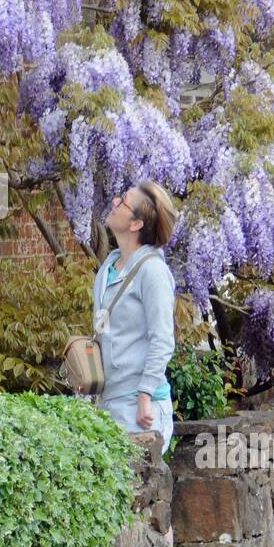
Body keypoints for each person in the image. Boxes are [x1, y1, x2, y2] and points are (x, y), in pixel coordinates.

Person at [89, 180, 177, 445]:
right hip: (107, 405)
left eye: (123, 201)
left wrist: (145, 395)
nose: (115, 202)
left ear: (136, 224)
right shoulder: (108, 269)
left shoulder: (153, 271)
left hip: (140, 409)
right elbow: (104, 330)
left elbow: (162, 339)